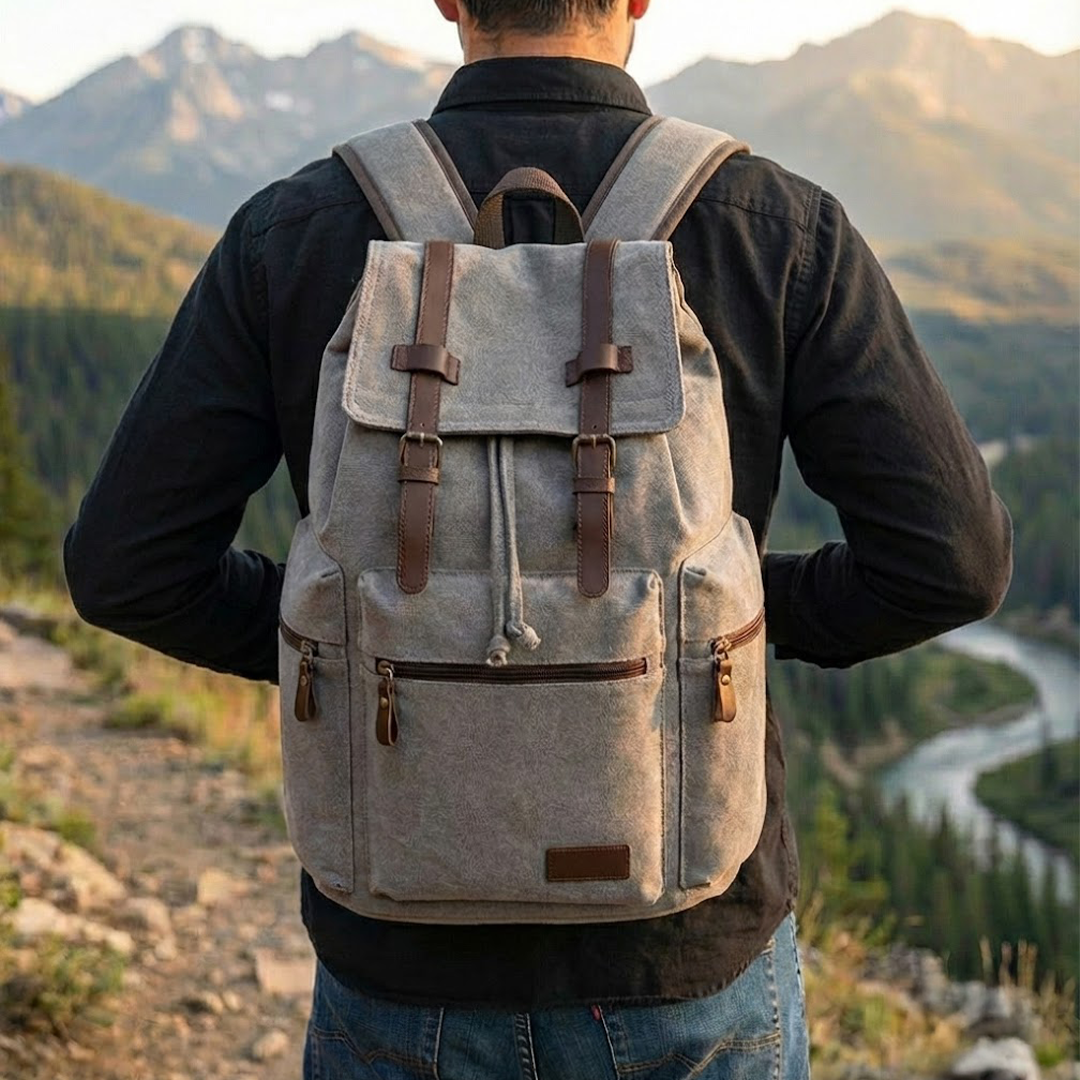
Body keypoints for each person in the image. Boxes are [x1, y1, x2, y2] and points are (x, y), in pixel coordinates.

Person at [63, 1, 1012, 1076]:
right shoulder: (772, 224)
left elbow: (125, 569)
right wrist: (712, 627)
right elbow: (952, 562)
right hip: (685, 948)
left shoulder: (300, 230)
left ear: (450, 1)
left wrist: (354, 639)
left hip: (398, 941)